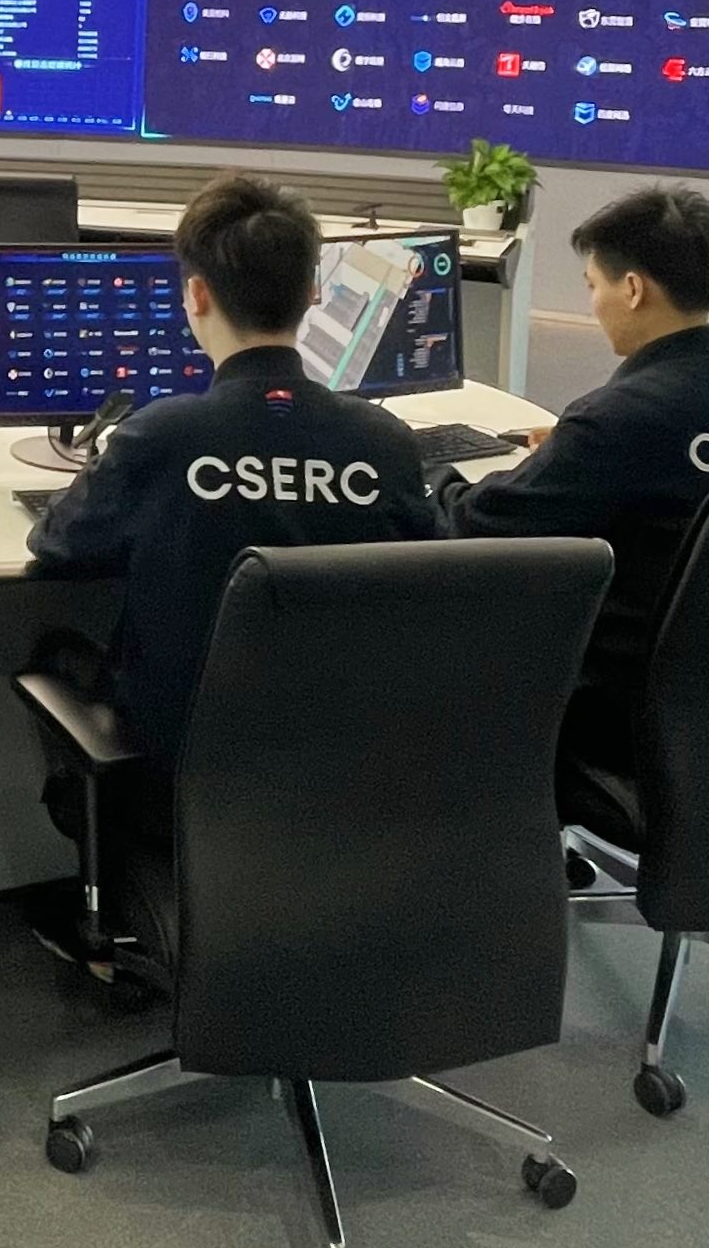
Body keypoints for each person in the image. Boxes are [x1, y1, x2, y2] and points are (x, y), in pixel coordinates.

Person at [24, 173, 444, 934]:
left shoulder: (161, 436)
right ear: (313, 293)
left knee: (54, 651)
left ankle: (107, 906)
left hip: (177, 782)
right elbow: (432, 571)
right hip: (346, 779)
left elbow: (57, 547)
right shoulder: (383, 444)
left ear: (196, 296)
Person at [445, 182, 709, 776]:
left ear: (633, 290)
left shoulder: (617, 420)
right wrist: (573, 450)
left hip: (619, 711)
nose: (593, 304)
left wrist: (435, 474)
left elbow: (481, 524)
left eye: (594, 286)